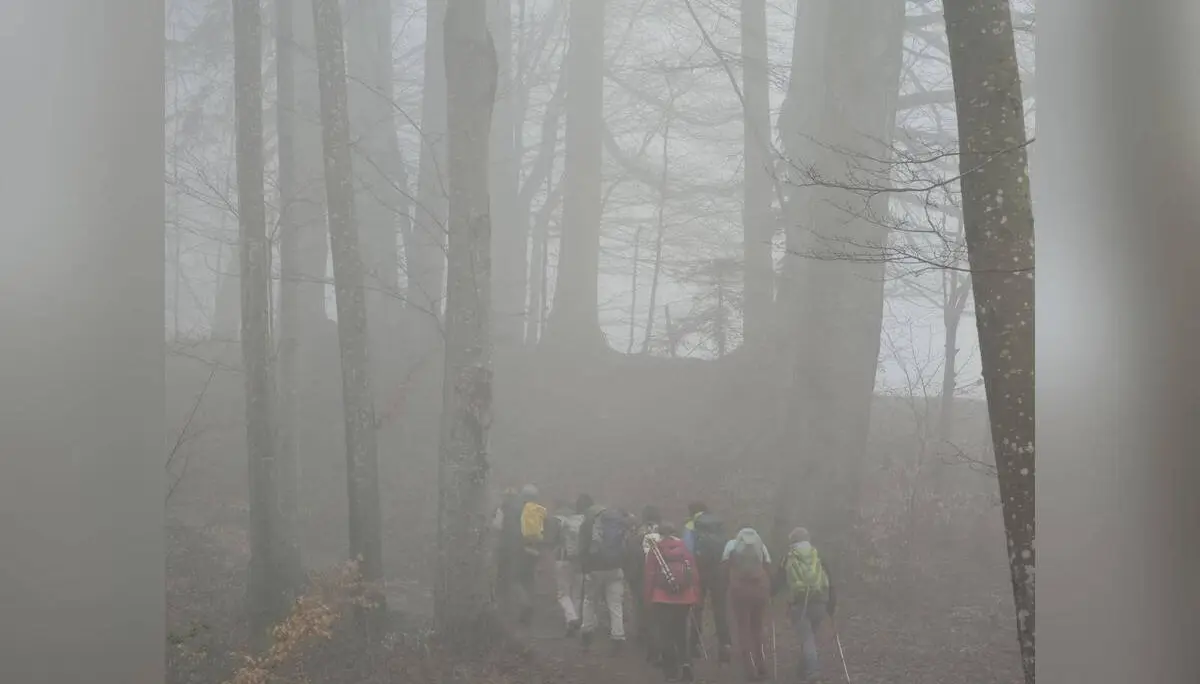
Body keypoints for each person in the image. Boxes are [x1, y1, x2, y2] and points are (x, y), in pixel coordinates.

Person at [775, 527, 836, 683]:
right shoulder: (818, 554)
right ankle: (802, 670)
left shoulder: (789, 556)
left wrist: (770, 594)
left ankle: (813, 673)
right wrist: (831, 605)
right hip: (820, 604)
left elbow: (779, 581)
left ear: (792, 541)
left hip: (800, 605)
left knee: (807, 639)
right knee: (809, 637)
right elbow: (830, 579)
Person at [644, 523, 701, 682]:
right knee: (681, 633)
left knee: (666, 635)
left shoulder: (655, 550)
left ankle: (671, 672)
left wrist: (648, 599)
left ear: (659, 534)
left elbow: (649, 576)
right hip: (685, 598)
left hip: (662, 598)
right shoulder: (684, 548)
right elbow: (694, 574)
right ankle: (686, 664)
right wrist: (696, 595)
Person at [682, 501, 732, 662]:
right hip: (719, 571)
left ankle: (694, 644)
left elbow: (687, 550)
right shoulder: (718, 522)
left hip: (700, 571)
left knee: (697, 607)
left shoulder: (691, 525)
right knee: (720, 608)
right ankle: (725, 644)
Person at [579, 501, 630, 653]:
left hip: (594, 568)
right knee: (615, 604)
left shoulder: (587, 524)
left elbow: (581, 548)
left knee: (590, 601)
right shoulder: (617, 523)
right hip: (615, 568)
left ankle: (587, 632)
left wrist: (585, 567)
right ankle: (618, 636)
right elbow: (624, 546)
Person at [723, 528, 773, 681]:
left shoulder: (731, 545)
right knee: (757, 628)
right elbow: (768, 568)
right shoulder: (761, 545)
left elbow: (724, 568)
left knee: (743, 628)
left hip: (740, 592)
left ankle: (749, 668)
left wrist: (730, 585)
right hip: (759, 591)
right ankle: (762, 664)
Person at [496, 484, 545, 626]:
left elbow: (502, 528)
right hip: (534, 549)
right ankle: (531, 606)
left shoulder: (515, 509)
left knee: (515, 578)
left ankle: (526, 604)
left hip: (519, 548)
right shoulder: (538, 510)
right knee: (529, 579)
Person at [625, 505, 664, 660]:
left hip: (641, 577)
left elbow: (631, 553)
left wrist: (631, 576)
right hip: (662, 577)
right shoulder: (665, 531)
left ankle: (643, 635)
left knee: (642, 607)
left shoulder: (639, 533)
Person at [551, 494, 591, 636]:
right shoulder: (583, 521)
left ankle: (571, 618)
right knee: (577, 594)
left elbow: (554, 540)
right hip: (580, 561)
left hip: (563, 560)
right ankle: (575, 623)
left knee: (562, 594)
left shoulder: (561, 521)